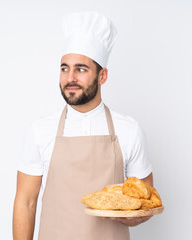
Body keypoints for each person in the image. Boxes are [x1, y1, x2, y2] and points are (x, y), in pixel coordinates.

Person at [13, 11, 154, 240]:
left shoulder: (129, 131)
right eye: (64, 68)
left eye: (80, 69)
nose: (70, 78)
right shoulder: (40, 130)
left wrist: (136, 215)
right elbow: (25, 201)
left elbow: (147, 200)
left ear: (102, 76)